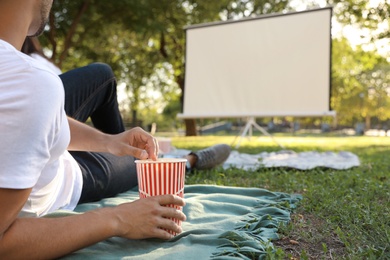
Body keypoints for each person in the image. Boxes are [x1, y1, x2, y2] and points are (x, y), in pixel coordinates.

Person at [0, 1, 230, 259]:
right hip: (66, 180)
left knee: (102, 76)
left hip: (46, 144)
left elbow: (41, 119)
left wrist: (110, 142)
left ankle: (133, 156)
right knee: (137, 164)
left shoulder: (30, 86)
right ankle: (186, 162)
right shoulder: (29, 84)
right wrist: (119, 218)